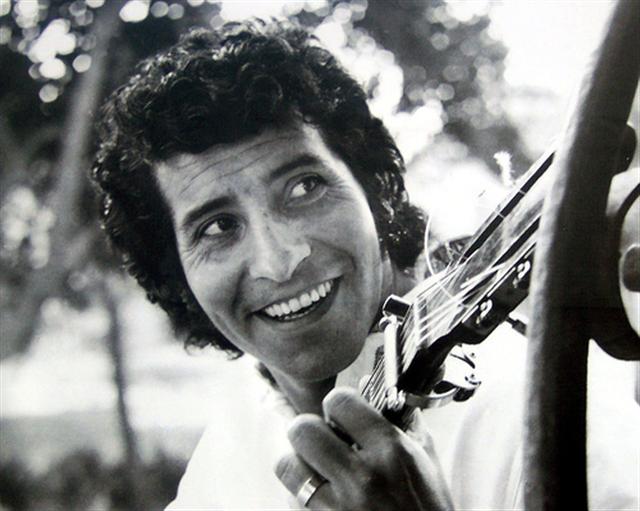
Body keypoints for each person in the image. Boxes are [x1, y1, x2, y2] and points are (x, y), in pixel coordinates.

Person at [91, 19, 639, 510]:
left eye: (304, 187)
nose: (280, 261)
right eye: (217, 227)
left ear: (375, 195)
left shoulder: (546, 423)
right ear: (180, 280)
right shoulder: (228, 454)